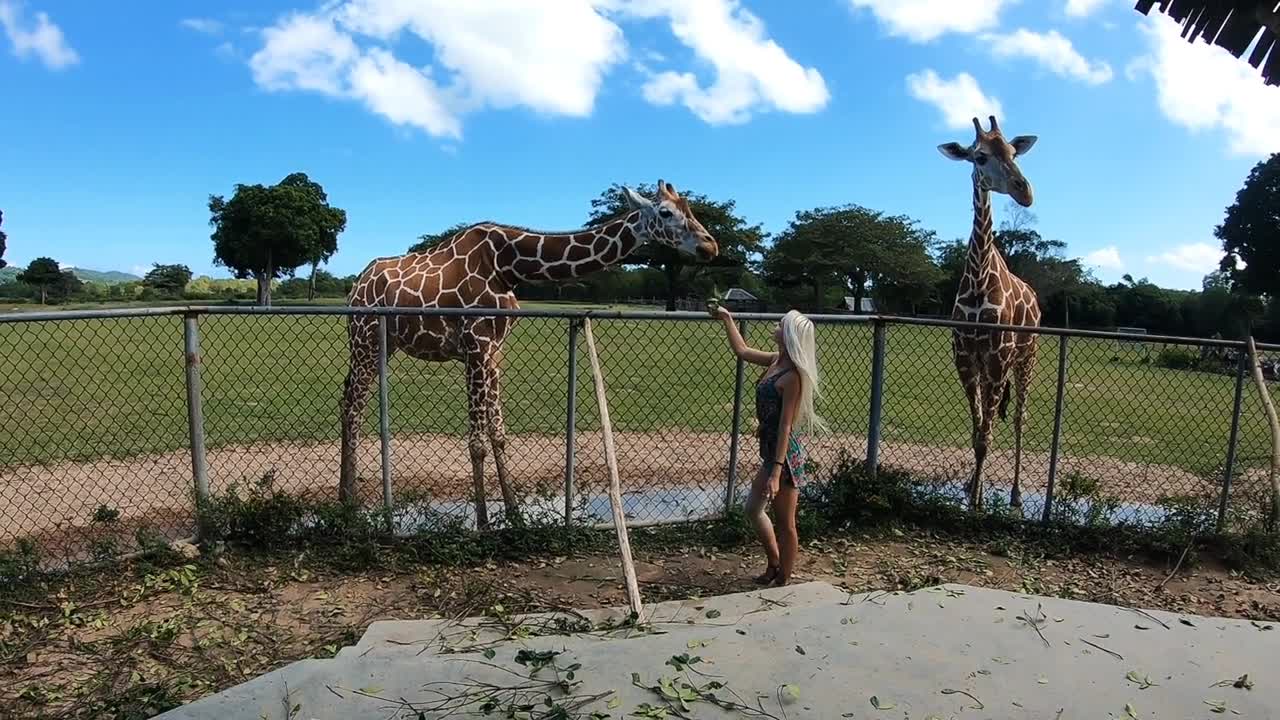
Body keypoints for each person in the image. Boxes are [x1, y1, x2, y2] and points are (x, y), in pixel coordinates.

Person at [710, 304, 827, 586]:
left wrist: (776, 471)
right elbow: (742, 351)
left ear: (788, 335)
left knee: (786, 522)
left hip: (783, 457)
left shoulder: (793, 377)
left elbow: (786, 424)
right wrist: (728, 319)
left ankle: (784, 578)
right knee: (753, 509)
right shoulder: (777, 361)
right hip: (771, 452)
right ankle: (774, 562)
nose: (776, 325)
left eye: (781, 323)